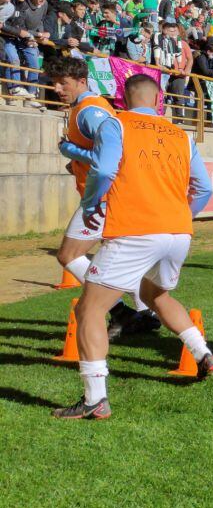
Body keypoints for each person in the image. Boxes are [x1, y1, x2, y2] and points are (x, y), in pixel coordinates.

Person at [51, 75, 213, 420]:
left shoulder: (118, 124)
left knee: (90, 311)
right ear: (160, 99)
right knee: (157, 296)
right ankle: (203, 353)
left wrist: (94, 200)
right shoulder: (182, 135)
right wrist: (179, 218)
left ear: (122, 98)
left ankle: (95, 399)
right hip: (178, 233)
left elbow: (104, 168)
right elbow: (203, 189)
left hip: (136, 230)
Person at [48, 57, 155, 338]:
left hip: (103, 196)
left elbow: (111, 155)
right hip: (109, 194)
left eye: (63, 83)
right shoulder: (85, 108)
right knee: (120, 258)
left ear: (81, 80)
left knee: (69, 255)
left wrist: (71, 152)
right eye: (54, 83)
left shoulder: (90, 111)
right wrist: (77, 162)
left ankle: (122, 312)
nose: (57, 88)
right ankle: (145, 312)